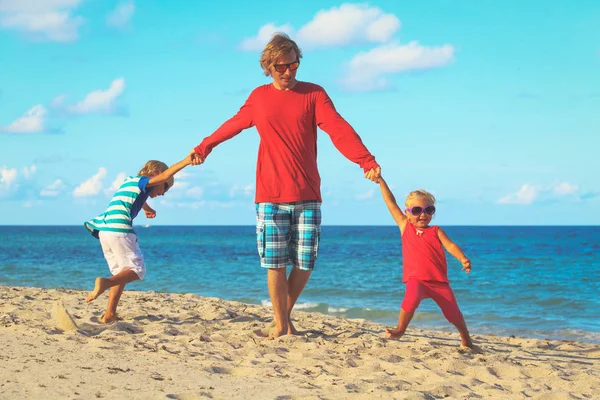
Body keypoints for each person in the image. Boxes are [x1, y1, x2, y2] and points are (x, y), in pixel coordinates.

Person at [190, 33, 381, 339]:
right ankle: (282, 326)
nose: (290, 71)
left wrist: (365, 160)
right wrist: (204, 147)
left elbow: (339, 129)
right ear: (268, 67)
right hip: (270, 195)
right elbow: (232, 125)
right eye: (282, 67)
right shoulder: (258, 98)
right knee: (275, 264)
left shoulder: (314, 95)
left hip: (307, 193)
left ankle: (281, 319)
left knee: (305, 262)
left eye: (294, 64)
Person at [84, 157, 194, 323]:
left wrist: (147, 208)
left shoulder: (130, 182)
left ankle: (109, 314)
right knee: (137, 270)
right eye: (165, 186)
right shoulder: (145, 181)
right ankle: (104, 283)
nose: (163, 192)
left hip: (104, 230)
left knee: (121, 273)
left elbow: (133, 198)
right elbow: (164, 176)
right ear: (156, 174)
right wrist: (187, 161)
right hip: (119, 229)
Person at [377, 177, 473, 348]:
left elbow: (450, 245)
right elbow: (390, 202)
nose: (423, 214)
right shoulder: (405, 226)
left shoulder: (436, 231)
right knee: (411, 298)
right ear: (407, 212)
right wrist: (381, 181)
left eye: (429, 210)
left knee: (453, 314)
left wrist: (462, 258)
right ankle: (400, 330)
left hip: (438, 282)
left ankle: (466, 338)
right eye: (416, 210)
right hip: (417, 279)